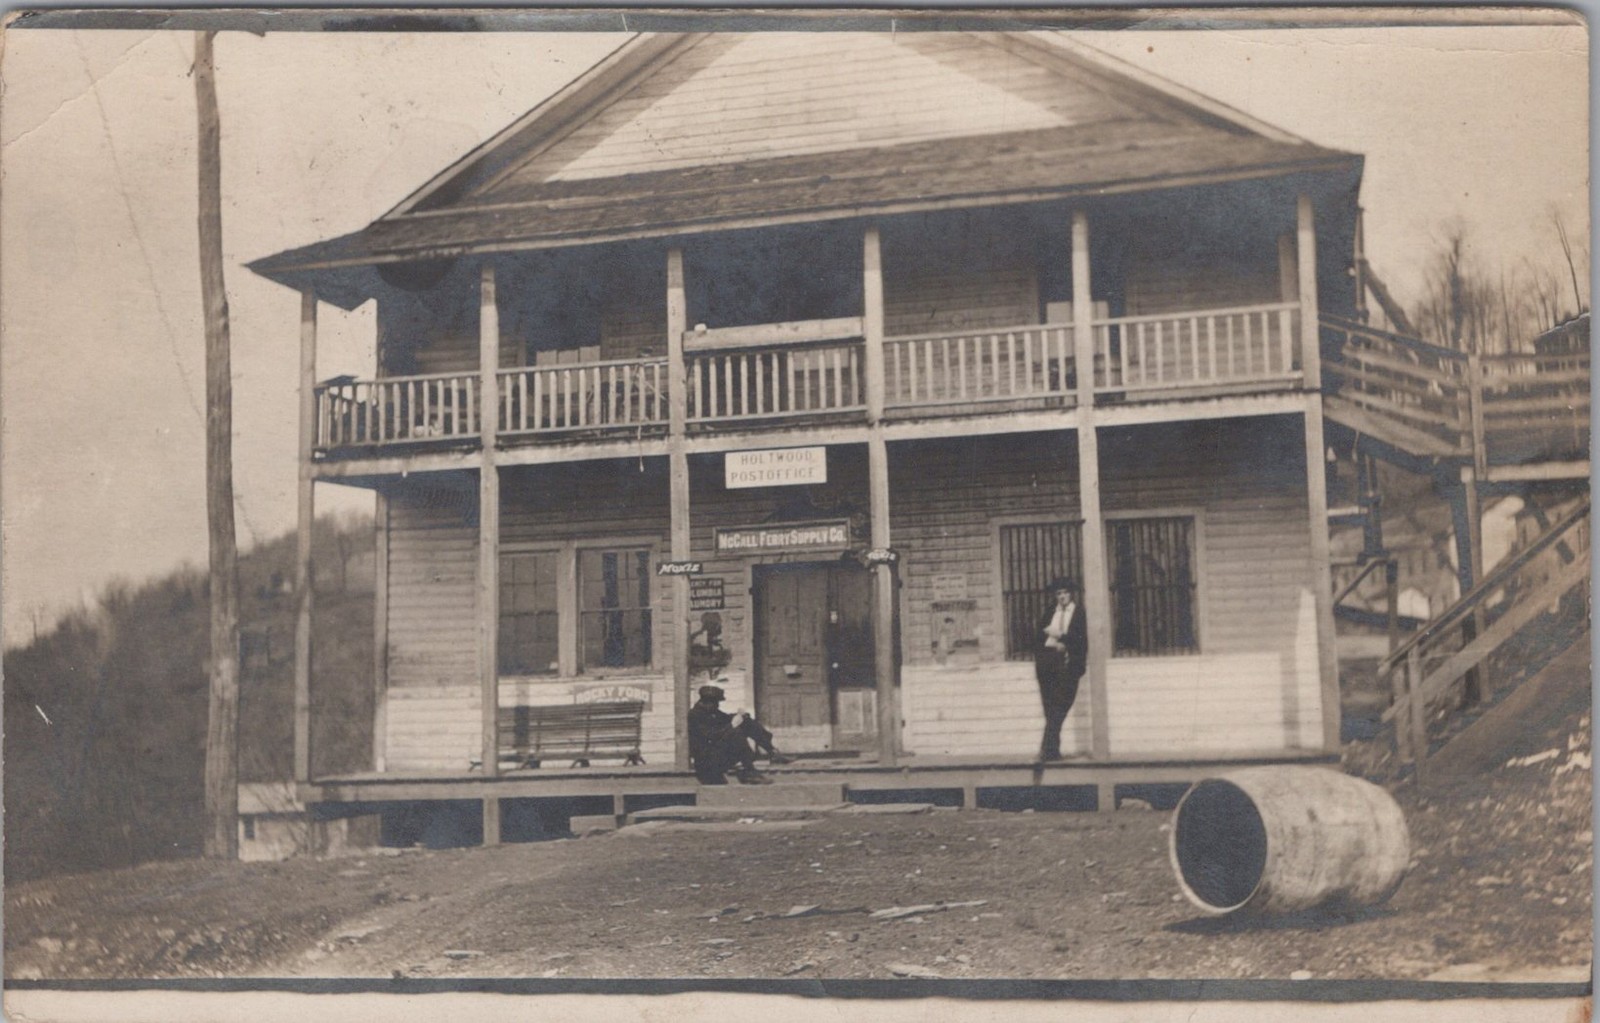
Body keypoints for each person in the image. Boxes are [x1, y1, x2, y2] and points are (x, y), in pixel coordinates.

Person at [687, 684, 791, 785]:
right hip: (707, 762)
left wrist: (741, 716)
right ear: (706, 702)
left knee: (746, 722)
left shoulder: (711, 711)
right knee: (735, 733)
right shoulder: (694, 716)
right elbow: (711, 737)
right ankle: (749, 770)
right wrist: (732, 725)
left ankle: (772, 751)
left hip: (717, 755)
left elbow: (725, 718)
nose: (717, 705)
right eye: (715, 702)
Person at [1034, 577, 1088, 761]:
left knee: (1062, 705)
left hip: (1068, 664)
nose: (1062, 596)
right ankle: (1051, 751)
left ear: (1071, 594)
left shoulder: (1079, 613)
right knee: (1050, 708)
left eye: (1065, 593)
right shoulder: (1050, 612)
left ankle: (1047, 749)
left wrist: (1061, 637)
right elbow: (1038, 637)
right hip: (1048, 665)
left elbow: (1081, 640)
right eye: (1059, 593)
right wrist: (1044, 653)